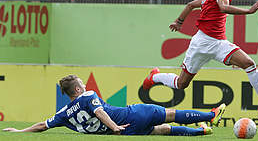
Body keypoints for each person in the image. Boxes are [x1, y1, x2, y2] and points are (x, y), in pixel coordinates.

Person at [143, 0, 258, 118]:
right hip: (201, 44)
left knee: (249, 64)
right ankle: (154, 76)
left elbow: (191, 5)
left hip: (219, 44)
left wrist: (179, 22)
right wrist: (249, 11)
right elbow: (223, 7)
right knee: (181, 84)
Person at [3, 75, 226, 136]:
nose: (86, 84)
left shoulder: (64, 113)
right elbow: (99, 111)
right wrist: (113, 126)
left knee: (162, 130)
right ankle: (210, 115)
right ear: (78, 90)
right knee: (170, 114)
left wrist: (20, 131)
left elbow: (43, 125)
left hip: (128, 131)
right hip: (130, 115)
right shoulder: (88, 95)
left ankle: (201, 131)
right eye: (82, 83)